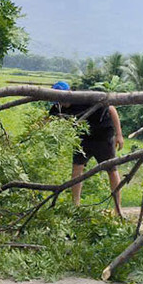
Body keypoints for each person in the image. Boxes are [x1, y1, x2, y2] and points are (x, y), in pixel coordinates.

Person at [49, 81, 125, 217]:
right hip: (83, 139)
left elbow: (111, 108)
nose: (61, 103)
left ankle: (118, 209)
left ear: (69, 93)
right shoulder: (57, 107)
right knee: (77, 169)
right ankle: (75, 206)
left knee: (112, 170)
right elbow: (47, 120)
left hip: (103, 137)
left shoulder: (84, 97)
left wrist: (119, 134)